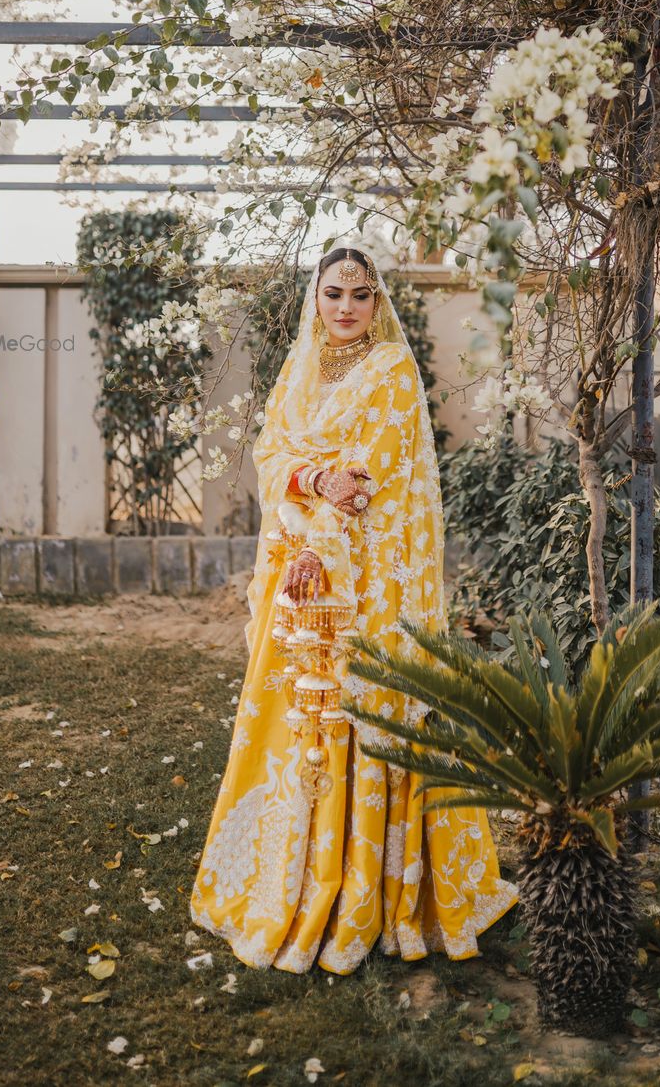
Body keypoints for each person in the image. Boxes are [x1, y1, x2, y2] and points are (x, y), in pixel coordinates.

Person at [189, 244, 519, 974]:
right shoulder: (301, 366)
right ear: (315, 298)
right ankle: (291, 870)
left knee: (351, 705)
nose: (345, 307)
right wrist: (310, 480)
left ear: (377, 303)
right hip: (297, 574)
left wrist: (320, 547)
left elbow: (375, 478)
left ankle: (361, 889)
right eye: (334, 292)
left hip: (363, 582)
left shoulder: (391, 372)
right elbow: (273, 453)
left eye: (360, 295)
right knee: (293, 715)